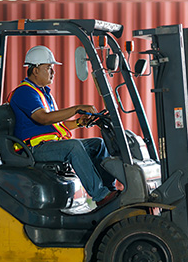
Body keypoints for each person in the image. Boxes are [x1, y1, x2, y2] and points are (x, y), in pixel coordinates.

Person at [9, 45, 118, 208]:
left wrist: (80, 122)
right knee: (73, 147)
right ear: (36, 70)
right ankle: (100, 195)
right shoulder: (24, 92)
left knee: (98, 144)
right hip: (34, 149)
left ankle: (110, 189)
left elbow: (55, 125)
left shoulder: (44, 93)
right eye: (49, 68)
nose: (53, 72)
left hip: (50, 144)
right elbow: (44, 119)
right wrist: (76, 109)